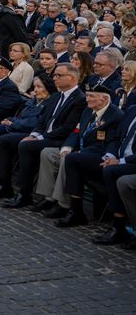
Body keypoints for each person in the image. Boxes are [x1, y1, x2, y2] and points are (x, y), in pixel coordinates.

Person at [1, 63, 87, 209]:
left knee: (25, 146)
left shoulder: (79, 99)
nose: (55, 78)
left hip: (60, 140)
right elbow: (42, 121)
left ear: (72, 78)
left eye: (59, 75)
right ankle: (10, 187)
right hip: (46, 136)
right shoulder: (56, 96)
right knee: (16, 142)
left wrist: (41, 137)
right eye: (55, 75)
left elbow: (67, 128)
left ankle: (24, 194)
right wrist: (35, 134)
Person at [33, 89, 124, 223]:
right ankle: (48, 198)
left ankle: (63, 204)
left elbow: (106, 143)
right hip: (79, 149)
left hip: (97, 154)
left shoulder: (115, 115)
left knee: (69, 160)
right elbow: (76, 131)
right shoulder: (88, 110)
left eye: (91, 96)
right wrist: (67, 147)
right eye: (87, 96)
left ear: (104, 99)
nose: (87, 99)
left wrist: (81, 152)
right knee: (47, 153)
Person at [0, 73, 57, 198]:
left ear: (48, 88)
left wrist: (13, 124)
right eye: (34, 87)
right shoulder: (34, 101)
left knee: (4, 140)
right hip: (17, 127)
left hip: (31, 133)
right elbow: (21, 117)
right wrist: (10, 120)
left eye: (39, 87)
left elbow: (34, 123)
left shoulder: (49, 103)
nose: (35, 90)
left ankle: (3, 183)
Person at [93, 99, 136, 245]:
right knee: (99, 165)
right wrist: (110, 156)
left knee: (111, 172)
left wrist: (121, 161)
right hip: (119, 158)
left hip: (131, 162)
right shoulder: (132, 110)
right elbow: (116, 138)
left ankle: (118, 224)